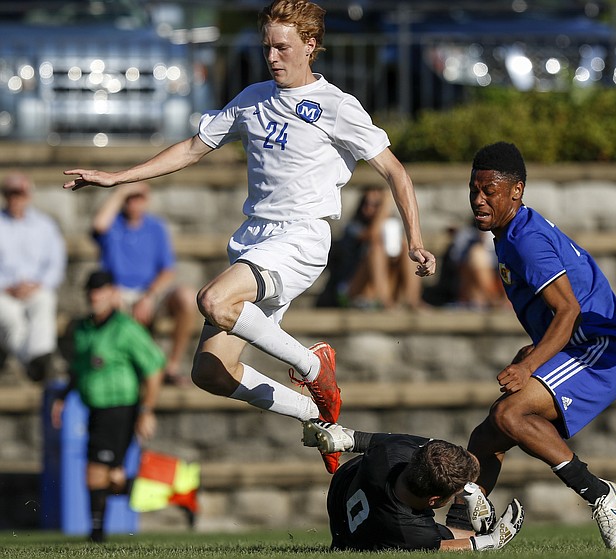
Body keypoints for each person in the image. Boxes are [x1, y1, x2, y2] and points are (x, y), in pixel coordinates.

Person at [62, 0, 436, 474]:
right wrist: (118, 177)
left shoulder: (338, 107)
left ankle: (314, 367)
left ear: (310, 46)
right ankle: (317, 419)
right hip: (254, 243)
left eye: (283, 47)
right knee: (210, 373)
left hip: (301, 240)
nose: (273, 57)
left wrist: (415, 239)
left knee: (215, 300)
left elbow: (395, 172)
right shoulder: (253, 97)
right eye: (267, 48)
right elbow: (194, 148)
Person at [444, 142, 616, 549]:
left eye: (488, 190)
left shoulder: (524, 241)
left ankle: (599, 494)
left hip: (595, 352)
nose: (478, 199)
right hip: (574, 347)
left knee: (509, 413)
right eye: (473, 189)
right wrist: (534, 352)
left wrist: (530, 367)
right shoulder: (511, 232)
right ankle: (460, 531)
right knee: (486, 436)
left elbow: (567, 312)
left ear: (516, 191)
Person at [50, 270, 165, 543]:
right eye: (91, 291)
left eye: (101, 290)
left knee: (95, 472)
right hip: (95, 410)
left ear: (113, 293)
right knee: (112, 478)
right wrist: (63, 397)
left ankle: (96, 535)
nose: (95, 296)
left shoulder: (125, 328)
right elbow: (80, 368)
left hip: (120, 408)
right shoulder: (84, 329)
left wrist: (147, 410)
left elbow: (154, 367)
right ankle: (175, 490)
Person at [302, 419, 525, 552]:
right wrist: (491, 541)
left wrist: (471, 493)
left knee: (440, 456)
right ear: (434, 501)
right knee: (454, 536)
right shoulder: (410, 530)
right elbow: (440, 547)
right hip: (366, 538)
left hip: (346, 485)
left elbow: (366, 440)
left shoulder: (392, 453)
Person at [92, 181, 198, 385]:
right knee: (111, 302)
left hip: (149, 292)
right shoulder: (113, 225)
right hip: (118, 292)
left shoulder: (156, 227)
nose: (134, 203)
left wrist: (150, 296)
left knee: (187, 297)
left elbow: (168, 271)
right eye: (129, 198)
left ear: (146, 200)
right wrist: (122, 190)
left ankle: (172, 365)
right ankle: (129, 367)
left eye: (138, 197)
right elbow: (98, 225)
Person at [0, 172, 66, 382]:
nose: (16, 199)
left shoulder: (45, 225)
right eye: (12, 194)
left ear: (28, 196)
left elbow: (56, 263)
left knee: (45, 301)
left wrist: (38, 284)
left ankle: (34, 360)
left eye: (20, 194)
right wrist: (6, 286)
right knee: (11, 318)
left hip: (35, 287)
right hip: (4, 291)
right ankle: (37, 363)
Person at [320, 186, 422, 309]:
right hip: (352, 289)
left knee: (406, 249)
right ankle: (385, 302)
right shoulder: (353, 227)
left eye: (375, 205)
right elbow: (372, 235)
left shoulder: (392, 226)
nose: (368, 208)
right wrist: (385, 205)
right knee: (376, 248)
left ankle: (414, 301)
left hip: (388, 286)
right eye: (365, 203)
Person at [424, 222, 506, 309]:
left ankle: (497, 301)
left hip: (500, 285)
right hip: (471, 291)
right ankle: (486, 301)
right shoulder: (466, 236)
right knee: (477, 254)